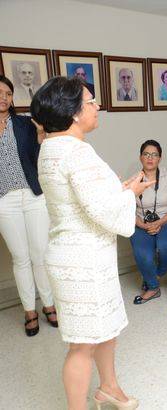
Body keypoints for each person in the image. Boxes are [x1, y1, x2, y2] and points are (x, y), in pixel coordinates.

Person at [32, 76, 153, 410]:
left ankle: (110, 387)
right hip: (82, 260)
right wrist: (130, 193)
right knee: (82, 345)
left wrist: (121, 189)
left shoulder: (51, 147)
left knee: (105, 327)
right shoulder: (77, 153)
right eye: (90, 101)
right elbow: (101, 210)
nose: (97, 106)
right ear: (72, 113)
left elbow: (84, 198)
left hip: (79, 253)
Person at [0, 74, 55, 337]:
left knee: (40, 255)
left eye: (7, 93)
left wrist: (42, 138)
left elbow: (39, 158)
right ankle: (29, 310)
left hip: (33, 196)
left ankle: (48, 304)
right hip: (4, 201)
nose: (3, 97)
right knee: (20, 258)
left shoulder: (24, 124)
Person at [130, 140, 167, 304]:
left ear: (160, 158)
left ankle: (153, 275)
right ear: (140, 157)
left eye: (154, 155)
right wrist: (142, 224)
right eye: (146, 154)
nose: (150, 158)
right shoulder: (134, 179)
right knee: (142, 254)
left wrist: (160, 222)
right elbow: (125, 208)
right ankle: (153, 287)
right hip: (142, 223)